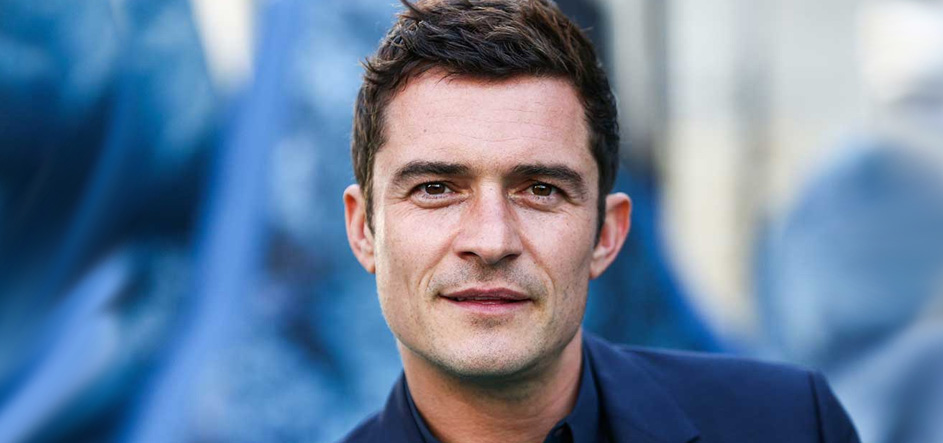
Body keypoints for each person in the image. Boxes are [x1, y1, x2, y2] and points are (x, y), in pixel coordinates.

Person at [339, 1, 860, 441]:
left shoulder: (790, 424)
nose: (492, 240)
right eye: (435, 189)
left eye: (541, 190)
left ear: (607, 234)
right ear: (364, 229)